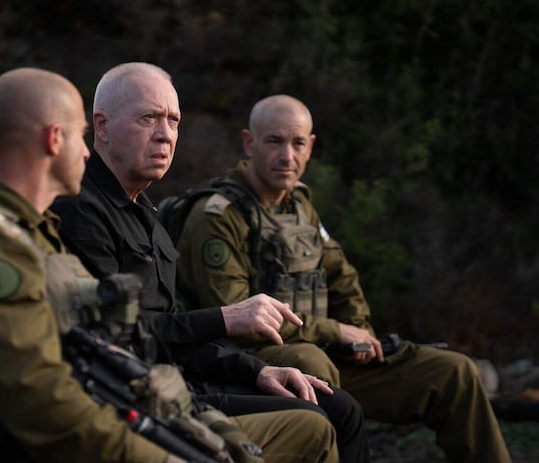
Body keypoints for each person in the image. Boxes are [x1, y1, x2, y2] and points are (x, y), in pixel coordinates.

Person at [0, 69, 340, 463]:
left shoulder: (34, 234)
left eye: (174, 121)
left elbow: (107, 347)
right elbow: (44, 403)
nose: (87, 152)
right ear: (53, 139)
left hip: (134, 401)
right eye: (83, 136)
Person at [52, 63, 370, 463]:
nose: (165, 135)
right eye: (148, 118)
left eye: (173, 121)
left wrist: (255, 372)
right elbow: (112, 341)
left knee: (340, 408)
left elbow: (174, 332)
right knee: (315, 420)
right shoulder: (82, 211)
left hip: (179, 379)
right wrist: (223, 318)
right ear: (101, 125)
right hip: (141, 397)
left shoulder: (145, 212)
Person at [174, 94, 512, 463]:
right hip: (255, 367)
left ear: (311, 147)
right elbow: (234, 316)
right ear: (249, 143)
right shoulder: (216, 217)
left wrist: (360, 334)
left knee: (454, 372)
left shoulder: (300, 204)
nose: (287, 156)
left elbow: (340, 274)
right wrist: (336, 333)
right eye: (274, 141)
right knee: (309, 361)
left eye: (298, 143)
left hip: (328, 356)